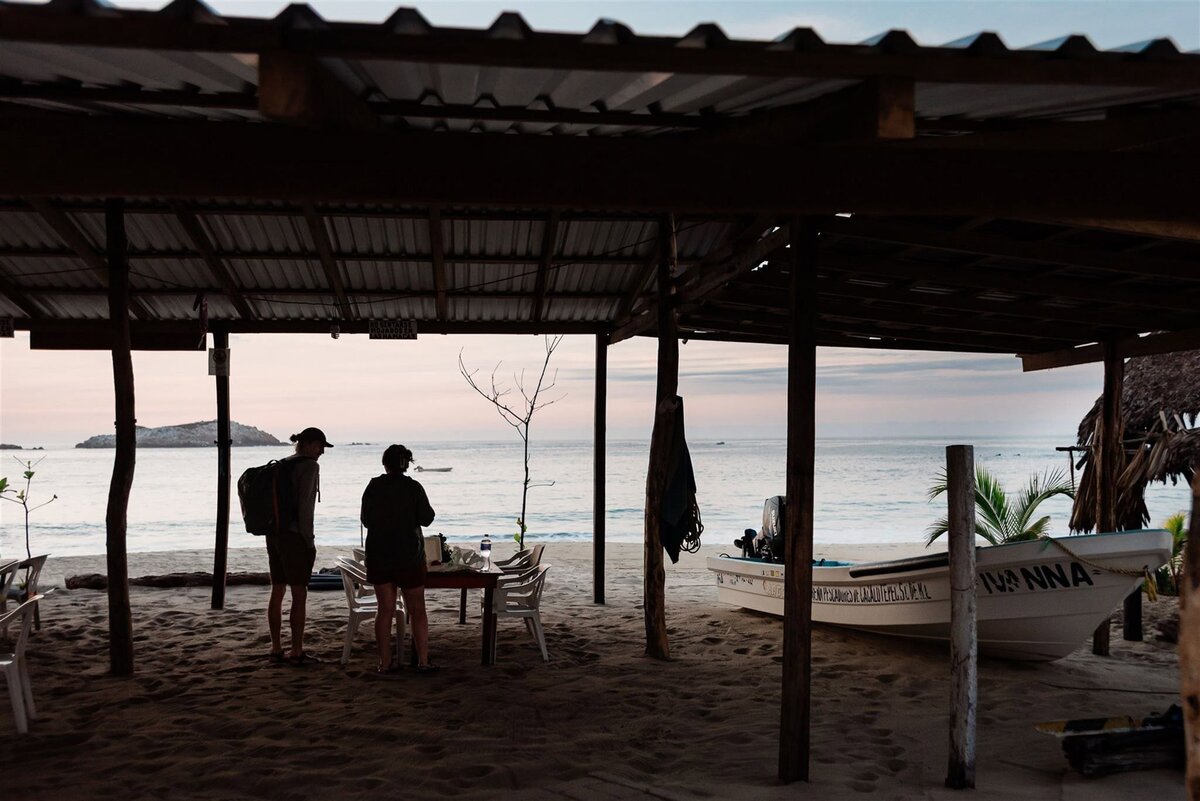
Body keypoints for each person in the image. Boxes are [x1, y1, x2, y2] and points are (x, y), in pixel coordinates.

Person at [360, 444, 437, 674]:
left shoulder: (373, 486)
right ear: (406, 463)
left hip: (379, 555)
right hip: (408, 557)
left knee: (384, 610)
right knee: (417, 609)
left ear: (385, 463)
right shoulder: (413, 487)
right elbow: (427, 519)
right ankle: (423, 662)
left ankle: (385, 663)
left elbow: (366, 520)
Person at [267, 426, 332, 666]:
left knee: (277, 590)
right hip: (295, 537)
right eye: (320, 446)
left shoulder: (282, 464)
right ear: (308, 444)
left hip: (274, 534)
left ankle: (275, 648)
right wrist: (309, 541)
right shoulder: (309, 466)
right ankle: (296, 651)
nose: (322, 452)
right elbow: (306, 510)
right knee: (299, 592)